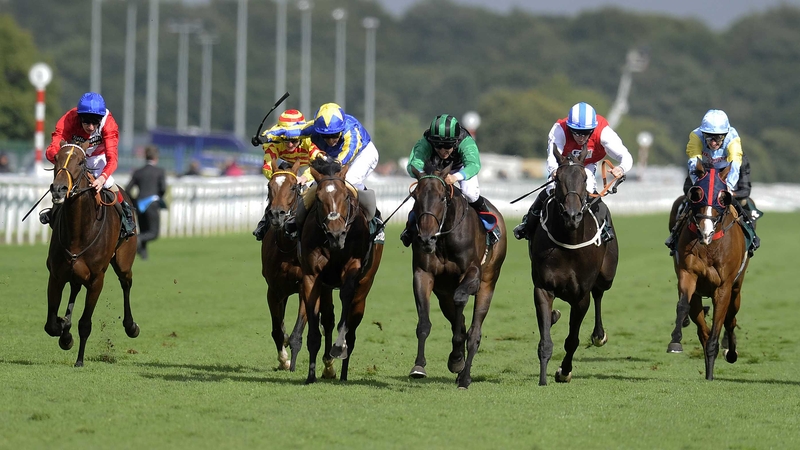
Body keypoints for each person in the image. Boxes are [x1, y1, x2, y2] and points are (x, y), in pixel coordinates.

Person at [513, 102, 633, 242]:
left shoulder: (604, 132)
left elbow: (626, 156)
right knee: (551, 188)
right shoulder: (559, 129)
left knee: (589, 189)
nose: (581, 138)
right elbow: (552, 155)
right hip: (563, 165)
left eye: (586, 133)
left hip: (586, 165)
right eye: (576, 133)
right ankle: (528, 223)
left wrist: (621, 168)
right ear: (569, 127)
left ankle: (605, 227)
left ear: (593, 129)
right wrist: (553, 171)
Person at [263, 103, 382, 236]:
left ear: (341, 129)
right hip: (335, 157)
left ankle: (375, 222)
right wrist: (266, 136)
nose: (331, 140)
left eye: (335, 135)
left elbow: (349, 151)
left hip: (361, 154)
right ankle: (298, 221)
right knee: (318, 186)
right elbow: (293, 132)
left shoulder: (351, 130)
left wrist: (336, 163)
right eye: (326, 136)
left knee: (349, 181)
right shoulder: (314, 127)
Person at [40, 92, 136, 239]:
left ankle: (125, 212)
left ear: (101, 119)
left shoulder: (109, 124)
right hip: (74, 155)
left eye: (95, 122)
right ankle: (54, 212)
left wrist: (102, 178)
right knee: (63, 181)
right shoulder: (68, 119)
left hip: (98, 157)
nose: (91, 127)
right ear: (79, 117)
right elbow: (52, 148)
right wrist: (63, 162)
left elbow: (112, 159)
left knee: (109, 183)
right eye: (86, 122)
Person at [665, 109, 760, 256]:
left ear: (726, 135)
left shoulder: (733, 139)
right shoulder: (695, 136)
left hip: (727, 175)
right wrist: (702, 188)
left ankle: (751, 236)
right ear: (703, 134)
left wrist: (726, 188)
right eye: (710, 138)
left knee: (741, 201)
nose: (714, 142)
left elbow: (734, 166)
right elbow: (693, 164)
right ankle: (675, 234)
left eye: (719, 138)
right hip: (703, 173)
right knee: (689, 199)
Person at [400, 114, 501, 246]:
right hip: (435, 169)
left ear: (455, 141)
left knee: (470, 193)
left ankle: (489, 225)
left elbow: (474, 165)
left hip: (460, 167)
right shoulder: (425, 141)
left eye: (447, 146)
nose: (443, 150)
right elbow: (413, 164)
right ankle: (410, 227)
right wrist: (424, 176)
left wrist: (455, 177)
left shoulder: (465, 141)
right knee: (426, 194)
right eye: (438, 146)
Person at [252, 109, 324, 240]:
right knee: (278, 189)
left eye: (294, 141)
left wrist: (304, 177)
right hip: (286, 168)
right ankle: (265, 223)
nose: (290, 144)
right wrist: (281, 177)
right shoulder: (273, 142)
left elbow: (316, 164)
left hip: (310, 168)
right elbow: (267, 167)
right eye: (286, 140)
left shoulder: (310, 139)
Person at [126, 145, 167, 260]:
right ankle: (137, 239)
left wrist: (134, 200)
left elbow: (128, 189)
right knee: (153, 233)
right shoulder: (159, 171)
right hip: (152, 203)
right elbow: (163, 188)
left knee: (144, 230)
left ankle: (144, 257)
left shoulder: (138, 172)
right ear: (156, 158)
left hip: (139, 204)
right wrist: (159, 197)